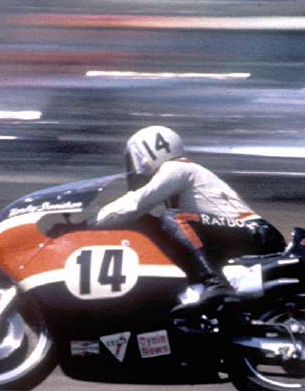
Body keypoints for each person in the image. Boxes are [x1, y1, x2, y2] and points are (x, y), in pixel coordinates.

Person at [95, 125, 284, 322]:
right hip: (247, 234)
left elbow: (135, 203)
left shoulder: (177, 168)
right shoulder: (184, 172)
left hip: (256, 231)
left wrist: (90, 222)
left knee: (172, 219)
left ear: (147, 154)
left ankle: (216, 284)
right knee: (155, 225)